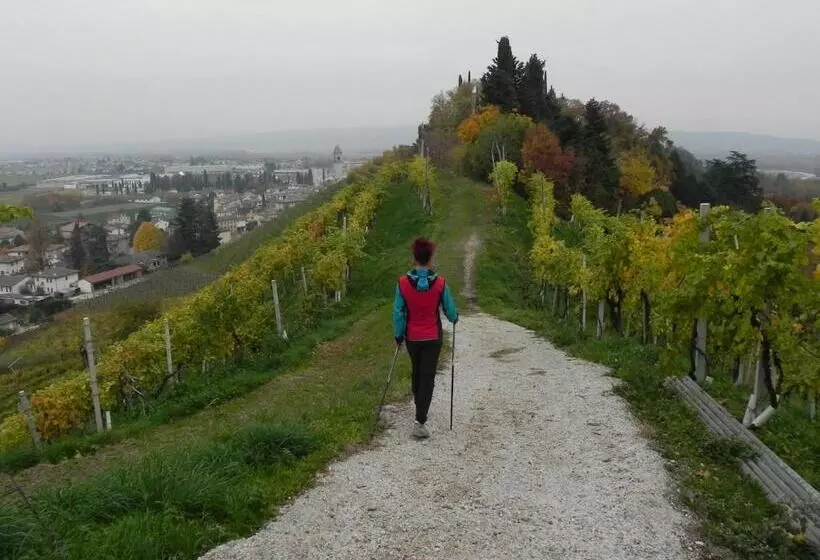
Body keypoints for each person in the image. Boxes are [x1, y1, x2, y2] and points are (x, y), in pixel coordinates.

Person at [392, 237, 458, 439]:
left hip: (413, 337)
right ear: (430, 258)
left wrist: (398, 334)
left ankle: (419, 405)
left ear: (414, 257)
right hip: (432, 337)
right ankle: (420, 420)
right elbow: (450, 310)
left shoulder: (403, 284)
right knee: (428, 377)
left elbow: (398, 312)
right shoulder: (439, 283)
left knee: (417, 372)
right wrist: (454, 318)